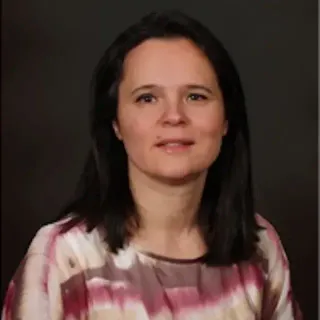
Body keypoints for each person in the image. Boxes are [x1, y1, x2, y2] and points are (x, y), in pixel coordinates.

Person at [2, 10, 302, 319]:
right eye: (147, 98)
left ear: (226, 119)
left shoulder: (260, 248)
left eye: (196, 97)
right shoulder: (63, 257)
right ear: (115, 123)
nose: (174, 116)